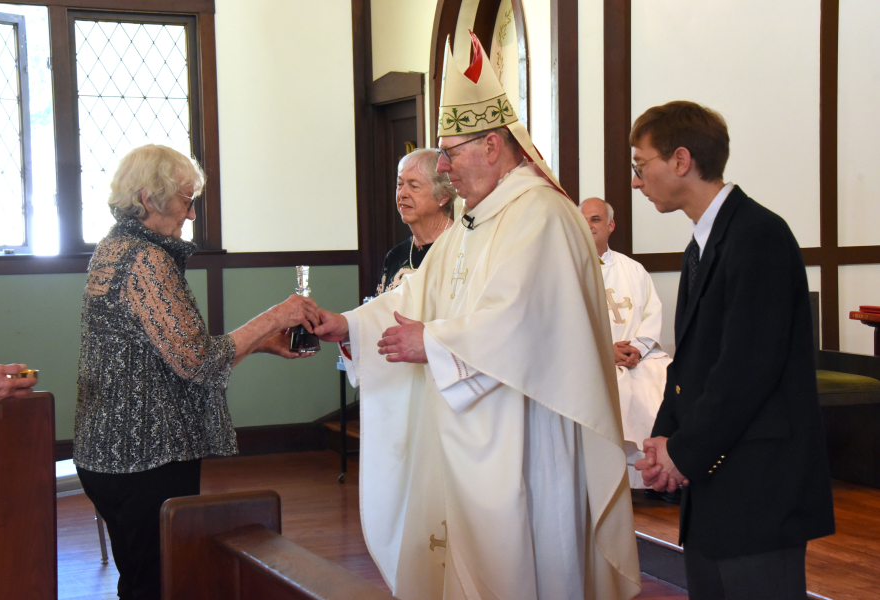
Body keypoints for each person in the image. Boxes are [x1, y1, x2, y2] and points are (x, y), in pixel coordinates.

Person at [315, 33, 639, 600]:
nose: (443, 167)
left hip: (524, 430)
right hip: (470, 429)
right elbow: (418, 297)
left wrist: (434, 344)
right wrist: (350, 325)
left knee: (523, 562)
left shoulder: (541, 216)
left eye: (451, 152)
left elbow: (521, 322)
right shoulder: (473, 219)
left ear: (493, 146)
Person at [73, 144, 319, 600]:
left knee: (142, 580)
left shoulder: (115, 247)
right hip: (146, 454)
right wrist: (276, 316)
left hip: (107, 450)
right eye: (185, 201)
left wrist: (260, 345)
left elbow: (177, 359)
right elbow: (197, 360)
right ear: (148, 199)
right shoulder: (144, 259)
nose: (190, 215)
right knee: (159, 585)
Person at [630, 101, 835, 600]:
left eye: (641, 166)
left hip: (758, 488)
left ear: (681, 160)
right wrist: (664, 437)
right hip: (718, 484)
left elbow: (746, 369)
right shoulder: (704, 242)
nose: (636, 182)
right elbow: (692, 362)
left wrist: (682, 451)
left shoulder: (758, 235)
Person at [579, 197, 672, 493]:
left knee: (666, 377)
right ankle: (614, 481)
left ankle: (658, 475)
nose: (589, 225)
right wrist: (604, 351)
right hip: (589, 359)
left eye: (596, 219)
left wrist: (638, 349)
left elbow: (651, 312)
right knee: (615, 388)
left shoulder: (633, 270)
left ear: (610, 225)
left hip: (636, 360)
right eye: (584, 219)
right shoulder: (568, 269)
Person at [376, 149, 456, 294]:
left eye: (414, 186)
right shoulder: (395, 255)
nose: (402, 194)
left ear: (443, 196)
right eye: (400, 184)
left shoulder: (461, 246)